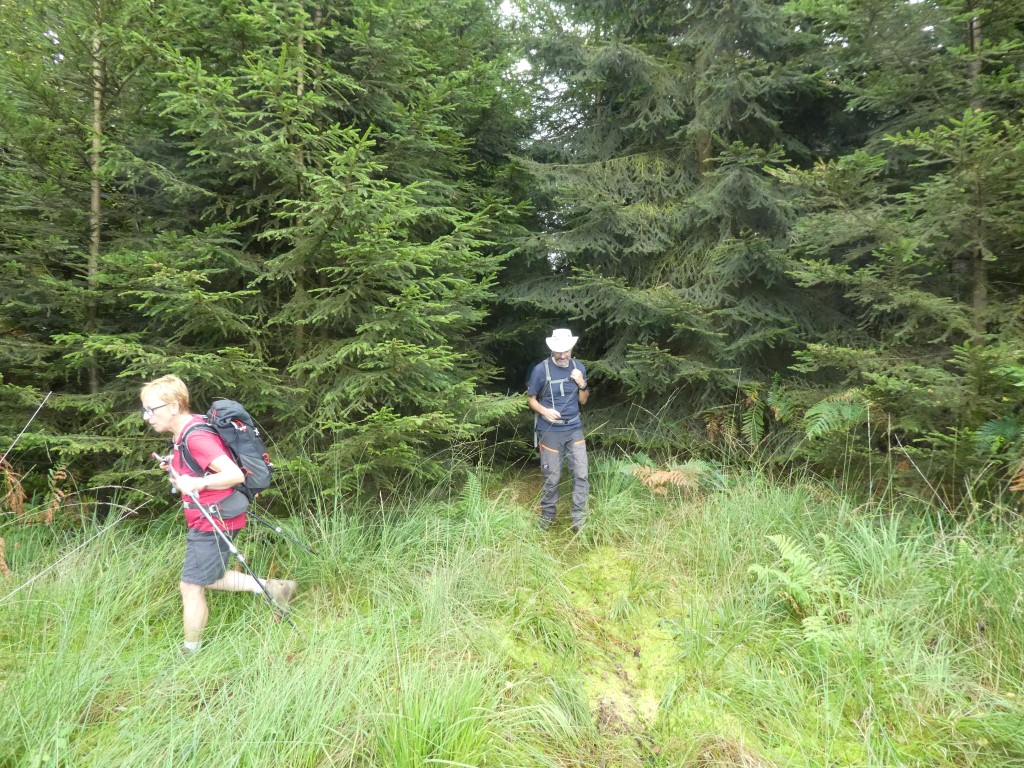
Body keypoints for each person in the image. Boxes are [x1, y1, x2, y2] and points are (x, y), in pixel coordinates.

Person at [140, 375, 296, 653]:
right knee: (210, 575)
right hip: (218, 513)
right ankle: (275, 588)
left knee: (191, 586)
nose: (146, 416)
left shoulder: (196, 436)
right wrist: (177, 468)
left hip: (213, 517)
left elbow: (233, 474)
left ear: (174, 406)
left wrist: (198, 483)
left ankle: (190, 651)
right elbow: (200, 466)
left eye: (151, 409)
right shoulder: (186, 430)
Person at [526, 328, 591, 532]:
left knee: (581, 474)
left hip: (574, 429)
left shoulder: (578, 367)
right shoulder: (540, 370)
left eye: (566, 351)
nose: (562, 356)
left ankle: (579, 520)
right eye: (558, 351)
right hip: (550, 431)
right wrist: (544, 411)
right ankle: (547, 517)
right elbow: (531, 400)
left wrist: (582, 383)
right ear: (551, 350)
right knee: (552, 477)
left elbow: (583, 400)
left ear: (571, 348)